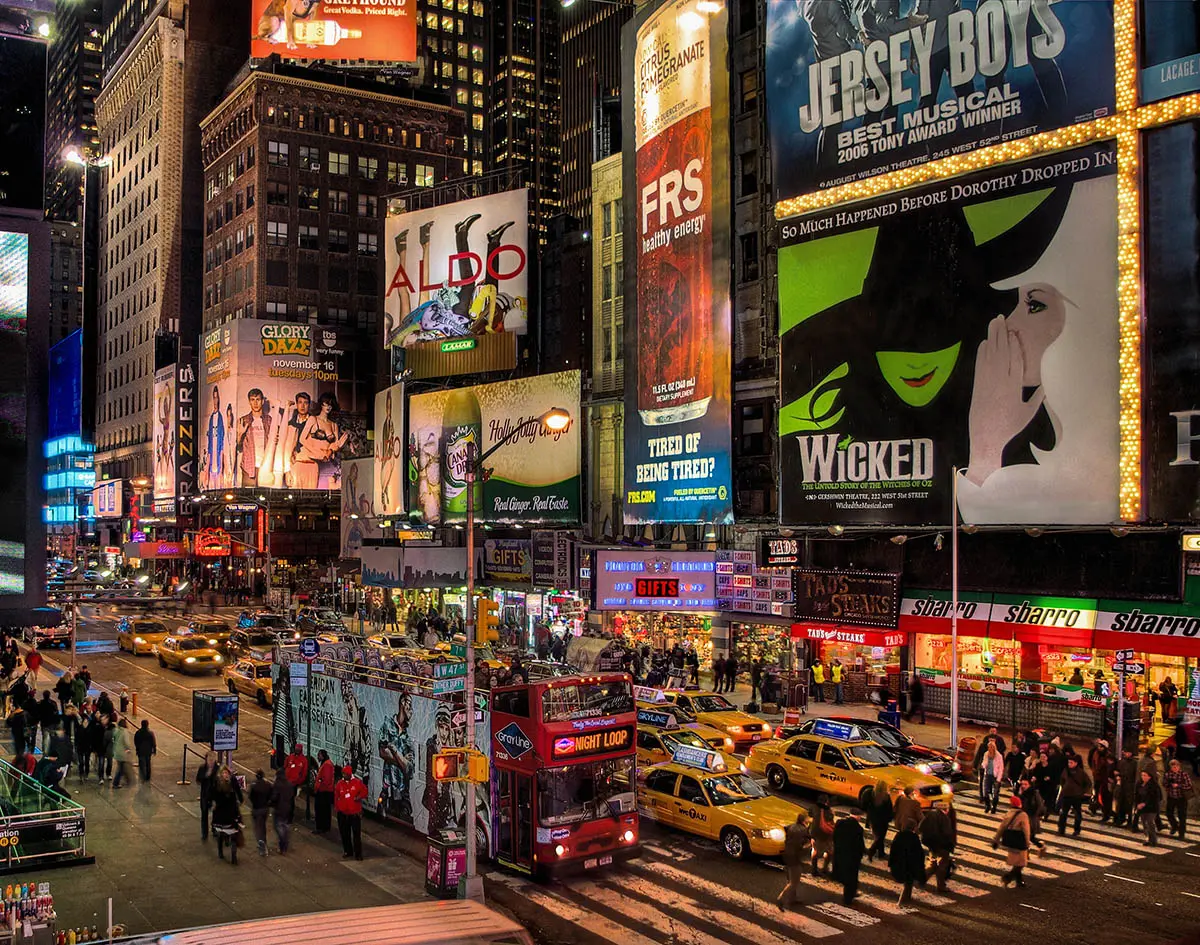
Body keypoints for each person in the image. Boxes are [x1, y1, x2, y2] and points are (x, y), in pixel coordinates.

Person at [888, 805, 926, 906]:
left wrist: (891, 863)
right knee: (908, 883)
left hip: (899, 863)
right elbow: (918, 853)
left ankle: (906, 899)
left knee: (908, 883)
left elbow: (893, 850)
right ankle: (902, 902)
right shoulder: (914, 838)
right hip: (909, 865)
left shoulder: (899, 835)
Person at [776, 811, 812, 911]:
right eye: (808, 819)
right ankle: (781, 899)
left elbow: (785, 829)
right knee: (794, 881)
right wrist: (808, 845)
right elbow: (803, 845)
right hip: (794, 857)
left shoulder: (792, 826)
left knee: (790, 878)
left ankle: (793, 898)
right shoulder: (803, 830)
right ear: (804, 820)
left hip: (786, 855)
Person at [919, 799, 957, 892]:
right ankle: (941, 886)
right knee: (942, 865)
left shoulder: (930, 814)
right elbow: (948, 833)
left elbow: (920, 827)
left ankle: (922, 880)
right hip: (943, 845)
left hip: (931, 844)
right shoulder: (945, 818)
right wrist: (951, 844)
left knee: (932, 863)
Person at [993, 795, 1031, 887]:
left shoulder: (1008, 813)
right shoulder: (1023, 815)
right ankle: (1008, 877)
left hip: (1010, 841)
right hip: (1019, 841)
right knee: (1021, 863)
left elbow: (1001, 828)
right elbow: (1026, 830)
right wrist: (1027, 842)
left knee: (1017, 862)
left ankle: (1019, 881)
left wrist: (996, 840)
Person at [211, 768, 244, 864]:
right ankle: (221, 852)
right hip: (221, 815)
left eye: (227, 773)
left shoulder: (231, 783)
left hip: (230, 814)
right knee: (221, 835)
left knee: (233, 836)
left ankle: (233, 856)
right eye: (224, 773)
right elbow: (213, 797)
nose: (226, 775)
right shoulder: (217, 786)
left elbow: (235, 799)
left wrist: (238, 813)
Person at [832, 813, 866, 904]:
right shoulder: (858, 829)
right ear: (858, 817)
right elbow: (859, 845)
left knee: (843, 874)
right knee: (851, 878)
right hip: (851, 857)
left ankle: (850, 892)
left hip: (840, 853)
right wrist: (860, 855)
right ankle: (848, 898)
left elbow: (834, 836)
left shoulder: (840, 823)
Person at [335, 765, 368, 860]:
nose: (344, 775)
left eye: (345, 774)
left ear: (350, 774)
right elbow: (336, 796)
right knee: (345, 834)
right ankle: (348, 851)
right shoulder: (340, 784)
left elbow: (365, 792)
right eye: (343, 774)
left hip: (354, 814)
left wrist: (358, 797)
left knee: (356, 835)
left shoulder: (357, 783)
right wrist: (337, 808)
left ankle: (358, 854)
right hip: (343, 813)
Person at [1057, 754, 1092, 837]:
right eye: (1069, 762)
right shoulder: (1065, 770)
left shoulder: (1081, 772)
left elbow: (1088, 783)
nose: (1069, 764)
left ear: (1076, 763)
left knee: (1077, 813)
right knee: (1063, 813)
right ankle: (1061, 829)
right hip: (1066, 795)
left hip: (1076, 796)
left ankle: (1077, 829)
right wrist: (1064, 787)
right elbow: (1062, 780)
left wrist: (1082, 792)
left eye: (1071, 762)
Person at [270, 765, 297, 854]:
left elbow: (274, 797)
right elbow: (292, 796)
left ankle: (283, 843)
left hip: (279, 809)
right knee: (285, 825)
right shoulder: (289, 784)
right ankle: (285, 843)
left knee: (278, 826)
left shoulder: (277, 785)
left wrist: (271, 803)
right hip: (287, 809)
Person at [865, 779, 893, 861]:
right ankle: (872, 851)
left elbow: (865, 804)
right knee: (880, 838)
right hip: (882, 821)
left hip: (873, 819)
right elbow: (889, 810)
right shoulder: (886, 797)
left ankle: (881, 853)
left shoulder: (871, 794)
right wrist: (889, 818)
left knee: (877, 837)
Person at [1164, 758, 1193, 839]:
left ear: (1179, 766)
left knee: (1182, 816)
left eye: (1176, 767)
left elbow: (1189, 785)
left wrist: (1179, 785)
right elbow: (1164, 783)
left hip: (1181, 797)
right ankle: (1174, 825)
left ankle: (1181, 833)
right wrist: (1169, 784)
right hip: (1171, 797)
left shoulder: (1184, 774)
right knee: (1169, 813)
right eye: (1173, 767)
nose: (1175, 768)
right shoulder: (1168, 774)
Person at [1017, 776, 1046, 850]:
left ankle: (1038, 846)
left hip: (1031, 819)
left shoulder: (1034, 793)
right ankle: (1039, 846)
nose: (1023, 786)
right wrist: (1019, 795)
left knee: (1028, 837)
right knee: (1026, 837)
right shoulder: (1020, 794)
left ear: (1029, 785)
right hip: (1023, 819)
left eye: (1025, 784)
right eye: (1022, 784)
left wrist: (1036, 815)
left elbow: (1040, 806)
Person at [248, 769, 273, 856]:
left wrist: (254, 803)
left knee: (258, 827)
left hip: (256, 809)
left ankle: (261, 843)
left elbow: (250, 796)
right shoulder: (267, 784)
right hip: (265, 809)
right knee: (262, 826)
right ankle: (264, 841)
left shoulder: (253, 785)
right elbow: (271, 795)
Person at [1136, 769, 1163, 847]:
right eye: (1142, 775)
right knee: (1144, 823)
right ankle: (1147, 838)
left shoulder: (1154, 785)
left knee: (1150, 822)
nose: (1143, 777)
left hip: (1152, 807)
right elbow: (1136, 794)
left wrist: (1145, 803)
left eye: (1145, 775)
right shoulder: (1139, 784)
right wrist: (1138, 804)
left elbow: (1157, 797)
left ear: (1149, 777)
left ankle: (1153, 840)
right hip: (1142, 807)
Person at [1113, 746, 1138, 830]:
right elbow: (1117, 771)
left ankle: (1129, 821)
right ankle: (1120, 819)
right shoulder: (1121, 762)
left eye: (1128, 752)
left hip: (1130, 786)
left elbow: (1135, 775)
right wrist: (1117, 776)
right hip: (1122, 784)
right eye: (1126, 752)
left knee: (1129, 804)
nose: (1127, 754)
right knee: (1121, 802)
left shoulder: (1134, 763)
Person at [197, 751, 220, 840]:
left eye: (213, 759)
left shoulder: (218, 769)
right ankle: (204, 833)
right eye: (209, 759)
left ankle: (214, 830)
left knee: (216, 814)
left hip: (215, 795)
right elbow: (198, 780)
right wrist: (206, 776)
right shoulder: (202, 768)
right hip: (205, 795)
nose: (211, 761)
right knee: (204, 814)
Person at [811, 794, 835, 876]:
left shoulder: (814, 807)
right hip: (825, 835)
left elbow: (810, 815)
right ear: (826, 802)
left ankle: (814, 870)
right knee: (829, 852)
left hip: (815, 833)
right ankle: (824, 868)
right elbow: (830, 821)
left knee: (815, 850)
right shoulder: (828, 811)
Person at [314, 749, 335, 834]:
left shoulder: (326, 765)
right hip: (325, 791)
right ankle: (325, 827)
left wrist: (318, 784)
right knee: (325, 810)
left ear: (322, 756)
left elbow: (326, 780)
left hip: (323, 791)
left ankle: (321, 827)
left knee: (321, 810)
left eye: (319, 755)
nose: (317, 757)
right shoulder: (326, 763)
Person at [980, 741, 1005, 813]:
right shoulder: (986, 754)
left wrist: (999, 779)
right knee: (985, 792)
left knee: (995, 793)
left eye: (991, 747)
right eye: (989, 747)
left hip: (995, 776)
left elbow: (1001, 768)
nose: (990, 749)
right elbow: (984, 762)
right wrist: (983, 765)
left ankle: (994, 807)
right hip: (987, 774)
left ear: (994, 748)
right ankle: (987, 805)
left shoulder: (999, 756)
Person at [110, 719, 133, 788]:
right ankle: (116, 783)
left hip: (116, 752)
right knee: (121, 769)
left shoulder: (116, 730)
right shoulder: (125, 732)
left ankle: (127, 780)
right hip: (122, 752)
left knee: (121, 767)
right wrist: (128, 749)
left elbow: (113, 738)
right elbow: (127, 742)